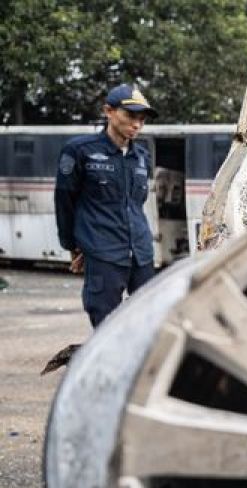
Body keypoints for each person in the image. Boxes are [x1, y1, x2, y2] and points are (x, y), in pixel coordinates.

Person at [54, 84, 157, 328]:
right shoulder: (79, 151)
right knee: (106, 326)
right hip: (103, 253)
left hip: (141, 254)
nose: (137, 124)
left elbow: (136, 204)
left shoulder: (142, 157)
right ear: (108, 111)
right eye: (130, 116)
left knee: (150, 322)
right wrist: (72, 246)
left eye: (142, 119)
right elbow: (64, 201)